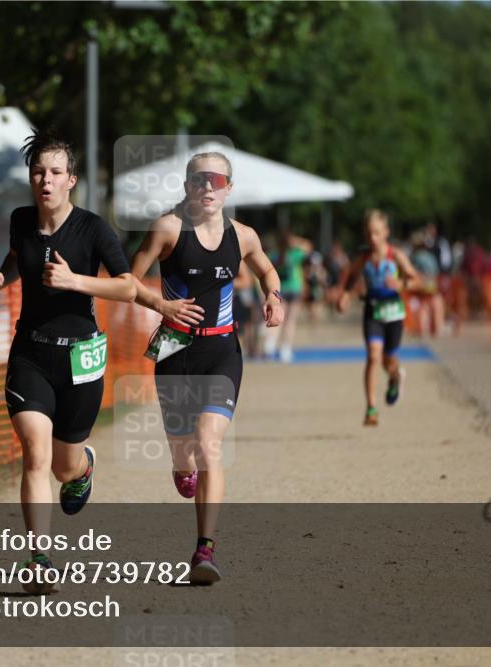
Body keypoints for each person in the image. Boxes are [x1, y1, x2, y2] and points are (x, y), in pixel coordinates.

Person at [0, 130, 135, 593]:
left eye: (54, 172)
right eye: (38, 172)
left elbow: (127, 287)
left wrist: (76, 282)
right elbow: (16, 257)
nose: (45, 180)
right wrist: (1, 278)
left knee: (63, 467)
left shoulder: (93, 229)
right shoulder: (21, 220)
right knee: (35, 451)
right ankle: (40, 560)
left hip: (80, 358)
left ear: (72, 180)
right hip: (30, 352)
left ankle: (83, 468)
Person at [129, 151, 284, 584]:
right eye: (199, 180)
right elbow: (128, 281)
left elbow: (268, 270)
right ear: (187, 187)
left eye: (217, 180)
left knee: (208, 442)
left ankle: (204, 550)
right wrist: (161, 304)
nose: (208, 187)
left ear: (229, 188)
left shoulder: (244, 236)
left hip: (221, 351)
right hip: (174, 351)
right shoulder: (167, 228)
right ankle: (182, 468)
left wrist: (274, 296)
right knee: (184, 457)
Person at [334, 210, 420, 427]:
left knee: (389, 361)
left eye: (377, 233)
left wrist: (401, 284)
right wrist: (345, 295)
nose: (372, 238)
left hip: (394, 313)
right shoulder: (363, 258)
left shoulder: (395, 255)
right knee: (373, 357)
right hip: (372, 311)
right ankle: (371, 408)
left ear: (386, 232)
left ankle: (395, 376)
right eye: (369, 233)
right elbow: (351, 277)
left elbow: (416, 280)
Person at [266, 229, 311, 362]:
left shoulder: (273, 255)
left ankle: (271, 344)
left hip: (281, 288)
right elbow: (308, 246)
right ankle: (285, 348)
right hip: (294, 288)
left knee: (279, 318)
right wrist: (295, 241)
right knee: (290, 320)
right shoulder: (295, 254)